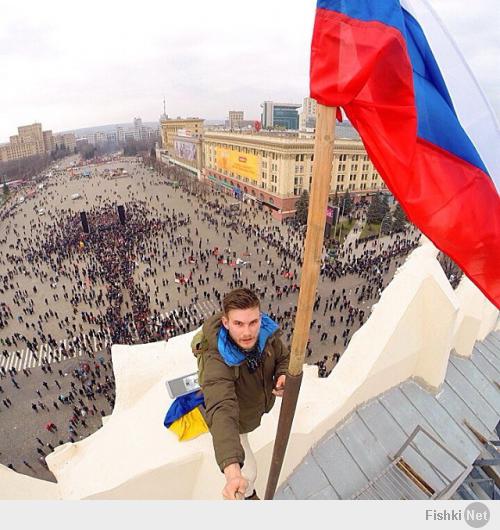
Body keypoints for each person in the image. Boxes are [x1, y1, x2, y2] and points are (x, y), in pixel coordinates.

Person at [198, 288, 289, 500]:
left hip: (253, 410)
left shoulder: (266, 335)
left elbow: (283, 357)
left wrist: (282, 375)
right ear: (226, 322)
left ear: (260, 318)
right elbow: (221, 408)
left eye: (253, 322)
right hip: (237, 419)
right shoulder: (217, 360)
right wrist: (232, 472)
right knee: (249, 473)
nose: (247, 332)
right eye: (238, 324)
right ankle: (249, 496)